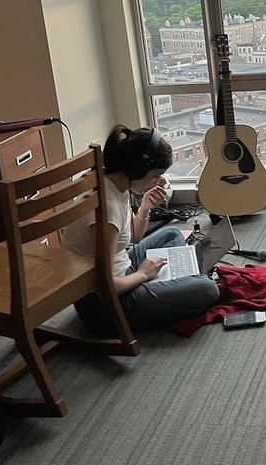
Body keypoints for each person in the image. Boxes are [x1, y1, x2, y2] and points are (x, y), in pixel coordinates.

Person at [63, 124, 219, 333]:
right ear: (138, 169)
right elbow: (105, 286)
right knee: (208, 288)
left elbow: (132, 237)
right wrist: (143, 274)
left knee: (172, 233)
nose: (157, 182)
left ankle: (175, 281)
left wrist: (145, 206)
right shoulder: (106, 210)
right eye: (154, 176)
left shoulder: (114, 182)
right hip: (106, 304)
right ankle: (175, 284)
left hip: (122, 269)